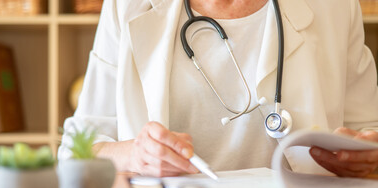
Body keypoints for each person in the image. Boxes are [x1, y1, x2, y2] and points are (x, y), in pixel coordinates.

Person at [58, 0, 378, 178]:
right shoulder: (127, 7)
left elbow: (370, 130)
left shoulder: (334, 7)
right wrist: (134, 155)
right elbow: (76, 149)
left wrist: (366, 156)